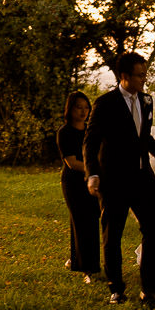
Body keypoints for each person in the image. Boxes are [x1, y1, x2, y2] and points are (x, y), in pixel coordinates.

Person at [83, 52, 155, 306]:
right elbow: (91, 141)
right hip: (114, 180)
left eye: (145, 74)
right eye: (140, 75)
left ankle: (151, 291)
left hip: (143, 178)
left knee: (153, 231)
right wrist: (92, 174)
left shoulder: (147, 101)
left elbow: (144, 137)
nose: (144, 79)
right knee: (113, 234)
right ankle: (116, 289)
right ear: (124, 76)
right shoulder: (105, 103)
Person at [56, 91, 100, 284]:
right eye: (78, 107)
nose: (83, 112)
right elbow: (72, 163)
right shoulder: (64, 132)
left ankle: (77, 260)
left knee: (90, 221)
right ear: (70, 109)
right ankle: (88, 268)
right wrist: (95, 169)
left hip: (93, 180)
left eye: (86, 108)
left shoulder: (91, 131)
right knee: (82, 222)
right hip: (73, 182)